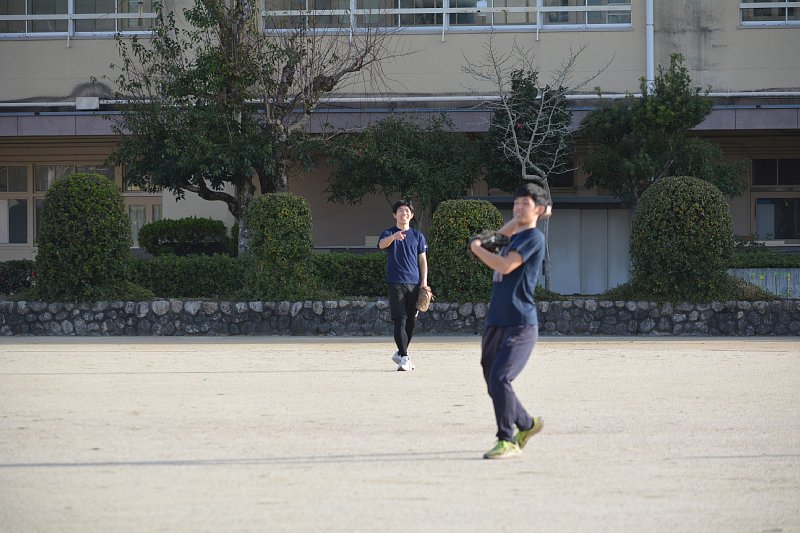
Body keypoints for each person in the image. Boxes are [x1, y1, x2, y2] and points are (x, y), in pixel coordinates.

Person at [468, 182, 551, 459]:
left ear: (538, 209)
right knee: (492, 380)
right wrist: (530, 213)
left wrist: (478, 249)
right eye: (516, 203)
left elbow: (505, 265)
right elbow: (501, 235)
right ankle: (527, 424)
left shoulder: (533, 238)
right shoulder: (512, 237)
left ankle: (507, 439)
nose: (518, 207)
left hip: (520, 322)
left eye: (525, 204)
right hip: (496, 320)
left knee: (500, 377)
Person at [378, 199, 429, 372]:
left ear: (411, 215)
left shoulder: (418, 236)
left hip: (414, 283)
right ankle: (405, 358)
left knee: (411, 321)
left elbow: (422, 260)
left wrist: (424, 282)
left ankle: (400, 353)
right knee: (400, 320)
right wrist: (394, 237)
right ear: (395, 215)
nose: (403, 213)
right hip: (395, 282)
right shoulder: (388, 233)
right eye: (400, 210)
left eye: (407, 211)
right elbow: (381, 245)